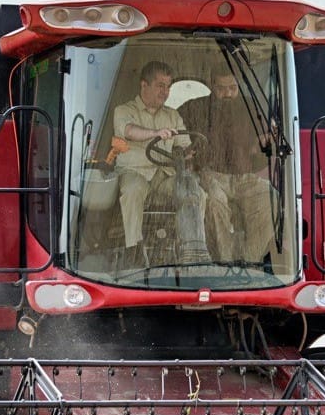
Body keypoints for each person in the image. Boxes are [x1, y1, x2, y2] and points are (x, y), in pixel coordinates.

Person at [112, 61, 211, 268]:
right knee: (132, 189)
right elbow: (129, 131)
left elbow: (183, 145)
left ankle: (192, 248)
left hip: (165, 175)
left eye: (168, 86)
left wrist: (189, 152)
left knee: (196, 191)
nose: (165, 92)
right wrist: (155, 133)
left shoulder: (172, 115)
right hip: (135, 172)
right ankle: (134, 250)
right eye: (160, 86)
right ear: (144, 85)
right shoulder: (124, 110)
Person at [179, 67, 273, 265]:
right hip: (211, 175)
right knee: (213, 202)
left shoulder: (253, 108)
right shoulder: (193, 108)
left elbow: (266, 145)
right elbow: (175, 134)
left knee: (271, 199)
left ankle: (250, 261)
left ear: (239, 85)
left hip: (246, 177)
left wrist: (263, 144)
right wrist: (185, 152)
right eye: (221, 89)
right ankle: (225, 263)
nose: (228, 93)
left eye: (232, 88)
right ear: (211, 85)